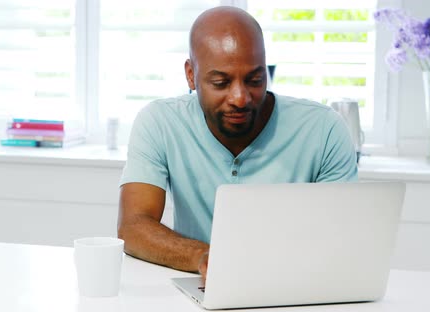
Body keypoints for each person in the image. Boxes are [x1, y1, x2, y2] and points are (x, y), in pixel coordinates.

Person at [118, 6, 357, 282]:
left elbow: (341, 239)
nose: (240, 98)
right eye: (220, 82)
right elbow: (133, 227)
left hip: (295, 286)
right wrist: (204, 258)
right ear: (190, 75)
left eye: (255, 80)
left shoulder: (324, 129)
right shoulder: (159, 122)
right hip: (200, 286)